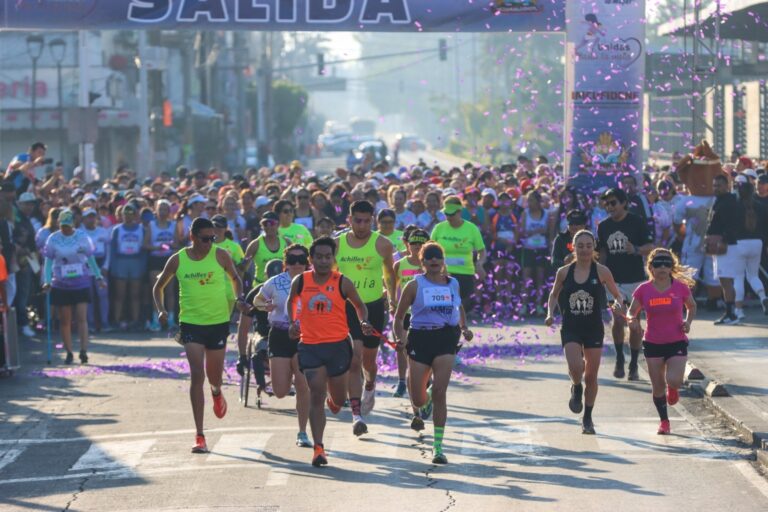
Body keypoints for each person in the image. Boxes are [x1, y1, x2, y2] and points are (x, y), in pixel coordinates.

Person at [152, 217, 246, 454]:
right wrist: (162, 310)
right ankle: (200, 434)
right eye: (204, 239)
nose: (209, 243)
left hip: (217, 321)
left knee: (213, 376)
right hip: (191, 323)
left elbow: (235, 278)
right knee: (197, 375)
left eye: (212, 238)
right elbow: (158, 286)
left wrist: (238, 298)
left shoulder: (220, 255)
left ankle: (216, 392)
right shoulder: (178, 259)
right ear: (192, 237)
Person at [287, 236, 371, 466]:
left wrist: (363, 321)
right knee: (316, 393)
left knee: (337, 398)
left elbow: (360, 306)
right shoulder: (301, 281)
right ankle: (319, 449)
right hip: (310, 345)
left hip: (338, 345)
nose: (323, 261)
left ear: (333, 259)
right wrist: (293, 322)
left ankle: (335, 402)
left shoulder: (342, 281)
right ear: (310, 259)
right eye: (319, 257)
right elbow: (291, 302)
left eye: (328, 257)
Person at [393, 242, 473, 464]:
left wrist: (464, 328)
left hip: (446, 339)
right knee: (418, 400)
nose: (434, 260)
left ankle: (438, 448)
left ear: (443, 260)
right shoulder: (414, 286)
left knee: (440, 392)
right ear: (422, 261)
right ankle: (423, 400)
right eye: (429, 257)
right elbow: (399, 318)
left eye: (438, 256)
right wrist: (401, 338)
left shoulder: (453, 283)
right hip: (420, 338)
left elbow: (459, 309)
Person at [546, 230, 623, 435]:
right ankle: (576, 386)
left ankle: (587, 418)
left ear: (594, 248)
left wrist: (617, 305)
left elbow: (617, 295)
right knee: (575, 367)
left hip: (593, 328)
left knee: (592, 376)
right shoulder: (564, 272)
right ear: (573, 247)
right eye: (580, 246)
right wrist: (550, 313)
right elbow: (553, 295)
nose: (585, 250)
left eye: (589, 246)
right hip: (571, 327)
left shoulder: (602, 271)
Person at [335, 200, 396, 434]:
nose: (361, 226)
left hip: (372, 307)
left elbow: (390, 275)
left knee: (369, 361)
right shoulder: (337, 244)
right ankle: (356, 414)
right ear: (349, 219)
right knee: (354, 359)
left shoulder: (382, 244)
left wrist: (392, 300)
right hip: (346, 307)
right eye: (357, 221)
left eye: (366, 221)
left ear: (372, 220)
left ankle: (369, 384)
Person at [626, 249, 697, 435]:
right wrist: (632, 321)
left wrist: (687, 322)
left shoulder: (680, 287)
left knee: (674, 380)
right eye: (658, 264)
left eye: (666, 263)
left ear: (671, 267)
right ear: (651, 267)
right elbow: (631, 311)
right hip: (653, 343)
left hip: (676, 341)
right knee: (657, 386)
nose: (663, 267)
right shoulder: (643, 289)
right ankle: (664, 421)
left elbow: (691, 306)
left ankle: (673, 389)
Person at [250, 245, 312, 448]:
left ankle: (302, 432)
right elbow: (257, 300)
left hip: (305, 335)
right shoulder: (275, 282)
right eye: (292, 260)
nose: (296, 264)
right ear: (285, 263)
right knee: (280, 391)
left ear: (307, 261)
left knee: (303, 386)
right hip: (279, 334)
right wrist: (264, 306)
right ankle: (290, 378)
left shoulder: (315, 281)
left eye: (301, 259)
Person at [597, 188, 654, 381]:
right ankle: (620, 357)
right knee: (619, 320)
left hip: (636, 280)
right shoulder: (603, 226)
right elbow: (602, 252)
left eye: (613, 203)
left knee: (635, 325)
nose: (609, 207)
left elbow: (650, 248)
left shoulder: (637, 222)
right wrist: (598, 272)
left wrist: (636, 249)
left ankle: (634, 362)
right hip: (614, 281)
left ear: (623, 203)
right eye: (606, 204)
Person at [42, 209, 105, 364]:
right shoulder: (53, 239)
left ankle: (83, 350)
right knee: (65, 320)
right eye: (63, 226)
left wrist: (98, 277)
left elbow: (90, 258)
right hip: (61, 283)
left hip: (80, 282)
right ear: (59, 224)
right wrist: (47, 280)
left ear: (73, 224)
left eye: (68, 226)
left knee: (81, 318)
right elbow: (48, 262)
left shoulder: (82, 237)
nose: (66, 229)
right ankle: (69, 351)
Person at [430, 196, 487, 310]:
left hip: (465, 273)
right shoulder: (439, 228)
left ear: (460, 212)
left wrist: (480, 264)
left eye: (452, 214)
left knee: (463, 309)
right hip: (444, 274)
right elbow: (429, 249)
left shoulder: (471, 229)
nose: (449, 217)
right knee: (446, 309)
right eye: (447, 214)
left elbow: (482, 250)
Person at [392, 228, 429, 399]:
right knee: (401, 347)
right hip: (405, 312)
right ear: (407, 244)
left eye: (421, 243)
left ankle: (425, 381)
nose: (417, 246)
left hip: (426, 314)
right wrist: (392, 301)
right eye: (413, 242)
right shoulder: (400, 264)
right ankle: (401, 381)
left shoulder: (431, 264)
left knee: (425, 349)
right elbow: (391, 286)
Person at [706, 175, 742, 325]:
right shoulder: (719, 200)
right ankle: (729, 312)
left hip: (727, 245)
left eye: (719, 185)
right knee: (723, 280)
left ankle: (731, 314)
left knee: (726, 280)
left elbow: (733, 224)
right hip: (719, 244)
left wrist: (722, 239)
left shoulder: (729, 201)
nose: (716, 188)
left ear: (727, 185)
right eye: (714, 185)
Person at [731, 181, 768, 319]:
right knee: (753, 275)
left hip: (740, 243)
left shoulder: (735, 207)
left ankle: (739, 310)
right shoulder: (761, 206)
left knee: (739, 277)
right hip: (757, 243)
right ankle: (763, 296)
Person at [108, 203, 146, 330]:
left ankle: (135, 320)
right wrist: (112, 267)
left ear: (135, 215)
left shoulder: (141, 229)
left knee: (135, 294)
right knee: (120, 294)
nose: (128, 217)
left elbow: (144, 249)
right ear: (122, 215)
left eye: (131, 214)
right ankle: (118, 320)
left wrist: (143, 266)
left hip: (135, 262)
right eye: (126, 214)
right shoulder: (117, 230)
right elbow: (112, 250)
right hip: (121, 261)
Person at [144, 200, 177, 331]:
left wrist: (170, 245)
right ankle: (156, 320)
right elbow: (145, 244)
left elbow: (177, 244)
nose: (163, 212)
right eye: (160, 209)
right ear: (156, 211)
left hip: (169, 259)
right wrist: (156, 247)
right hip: (155, 260)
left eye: (165, 209)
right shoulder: (151, 225)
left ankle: (171, 320)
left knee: (170, 291)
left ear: (169, 211)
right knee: (157, 291)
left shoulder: (173, 225)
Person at [79, 208, 112, 332]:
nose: (91, 219)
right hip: (86, 267)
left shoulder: (103, 232)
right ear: (84, 219)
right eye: (88, 217)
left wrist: (106, 266)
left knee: (103, 295)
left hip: (101, 266)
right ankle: (90, 323)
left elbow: (109, 251)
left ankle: (104, 322)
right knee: (89, 296)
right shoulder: (79, 233)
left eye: (93, 216)